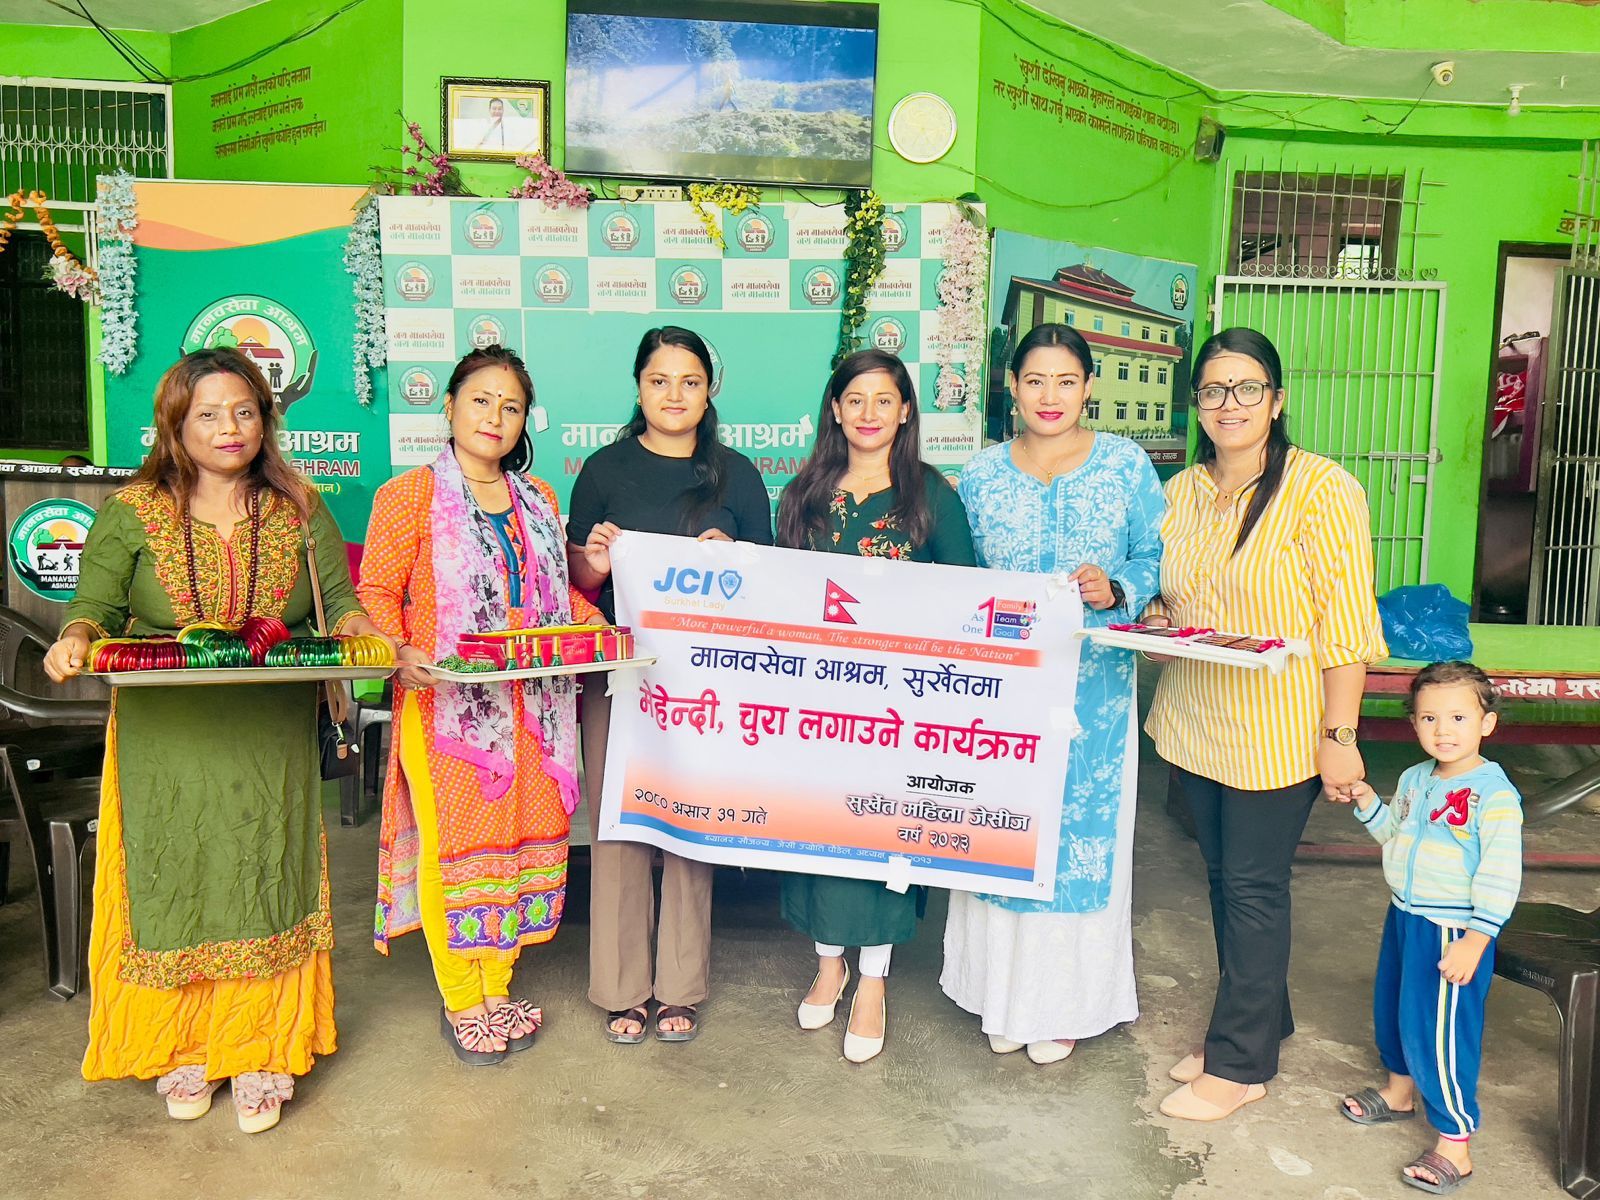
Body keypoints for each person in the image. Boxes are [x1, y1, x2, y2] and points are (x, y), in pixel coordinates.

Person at [44, 347, 390, 1132]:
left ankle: (263, 1045)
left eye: (244, 411)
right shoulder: (132, 511)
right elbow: (92, 606)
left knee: (266, 869)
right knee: (176, 876)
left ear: (265, 421)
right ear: (176, 423)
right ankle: (185, 1046)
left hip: (269, 736)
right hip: (167, 741)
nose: (229, 427)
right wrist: (75, 640)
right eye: (208, 413)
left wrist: (362, 632)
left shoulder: (299, 506)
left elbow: (340, 602)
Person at [1145, 327, 1388, 1122]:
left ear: (1276, 401)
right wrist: (1157, 613)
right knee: (1223, 879)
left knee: (1253, 887)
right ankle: (1257, 1019)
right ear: (1197, 405)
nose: (1231, 404)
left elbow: (1346, 627)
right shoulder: (1182, 492)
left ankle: (1241, 1064)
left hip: (1278, 730)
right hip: (1195, 718)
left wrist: (1340, 736)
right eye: (1214, 390)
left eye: (1248, 388)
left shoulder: (1321, 489)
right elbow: (1174, 594)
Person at [360, 344, 602, 1065]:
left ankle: (497, 987)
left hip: (534, 709)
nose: (495, 416)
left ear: (525, 420)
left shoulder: (539, 499)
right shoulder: (408, 496)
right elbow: (376, 593)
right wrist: (399, 650)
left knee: (518, 849)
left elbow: (555, 597)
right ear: (450, 406)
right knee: (458, 850)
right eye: (481, 400)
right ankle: (463, 999)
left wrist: (603, 631)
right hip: (448, 712)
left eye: (512, 406)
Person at [939, 324, 1164, 1065]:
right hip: (1000, 692)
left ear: (1089, 387)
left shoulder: (1125, 466)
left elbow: (1156, 554)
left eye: (1067, 381)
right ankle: (1001, 997)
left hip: (1093, 694)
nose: (1050, 396)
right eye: (1035, 380)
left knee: (1076, 842)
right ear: (1012, 386)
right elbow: (957, 573)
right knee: (1001, 828)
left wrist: (1119, 585)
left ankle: (1062, 1006)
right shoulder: (981, 475)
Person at [568, 325, 773, 1044]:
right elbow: (577, 580)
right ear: (639, 387)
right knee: (618, 825)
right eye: (659, 381)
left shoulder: (737, 475)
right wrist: (593, 560)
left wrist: (736, 559)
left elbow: (768, 585)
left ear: (709, 391)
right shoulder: (603, 469)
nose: (674, 395)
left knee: (688, 823)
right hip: (616, 674)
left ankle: (681, 987)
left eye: (689, 382)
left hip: (704, 682)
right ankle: (622, 988)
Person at [776, 348, 976, 1064]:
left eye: (884, 400)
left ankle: (874, 980)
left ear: (905, 410)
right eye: (854, 399)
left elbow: (968, 594)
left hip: (900, 709)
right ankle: (829, 963)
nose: (868, 413)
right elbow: (774, 593)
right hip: (817, 702)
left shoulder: (930, 494)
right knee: (821, 834)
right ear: (835, 409)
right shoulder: (802, 492)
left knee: (884, 837)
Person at [1337, 661, 1522, 1195]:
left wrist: (1477, 940)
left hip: (1452, 931)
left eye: (1459, 717)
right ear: (1414, 723)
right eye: (1429, 718)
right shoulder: (1415, 779)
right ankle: (1399, 1093)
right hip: (1405, 915)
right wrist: (1368, 802)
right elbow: (1394, 834)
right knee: (1395, 1011)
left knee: (1441, 1034)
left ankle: (1455, 1143)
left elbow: (1501, 874)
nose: (1443, 730)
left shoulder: (1493, 794)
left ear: (1487, 723)